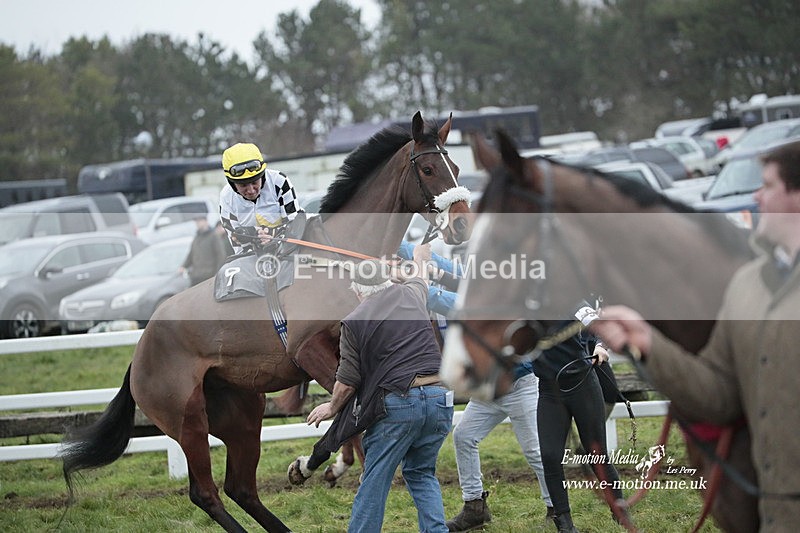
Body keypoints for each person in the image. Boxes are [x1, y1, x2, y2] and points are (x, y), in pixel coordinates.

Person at [591, 140, 800, 531]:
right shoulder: (748, 284)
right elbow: (719, 395)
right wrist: (647, 343)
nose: (756, 195)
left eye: (768, 184)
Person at [306, 246, 454, 533]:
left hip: (400, 403)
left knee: (374, 480)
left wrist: (332, 407)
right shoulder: (412, 294)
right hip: (440, 399)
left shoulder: (354, 322)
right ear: (387, 281)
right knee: (422, 473)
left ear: (357, 291)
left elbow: (348, 380)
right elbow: (421, 275)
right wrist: (421, 257)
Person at [535, 303, 627, 533]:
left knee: (597, 454)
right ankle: (564, 524)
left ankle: (620, 512)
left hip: (582, 384)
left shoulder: (570, 299)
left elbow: (601, 327)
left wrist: (601, 346)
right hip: (549, 389)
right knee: (549, 455)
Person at [446, 356, 553, 532]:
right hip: (488, 388)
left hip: (519, 385)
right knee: (464, 436)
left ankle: (556, 508)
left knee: (534, 450)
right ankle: (474, 508)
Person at [218, 142, 302, 254]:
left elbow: (295, 226)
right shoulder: (226, 197)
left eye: (254, 182)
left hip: (288, 251)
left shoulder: (280, 182)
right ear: (232, 183)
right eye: (243, 185)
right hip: (253, 256)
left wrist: (267, 234)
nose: (251, 190)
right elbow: (238, 246)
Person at [179, 215, 227, 286]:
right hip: (196, 276)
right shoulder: (197, 237)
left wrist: (217, 273)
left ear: (205, 221)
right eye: (196, 222)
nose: (197, 223)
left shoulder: (214, 236)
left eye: (199, 221)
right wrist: (183, 266)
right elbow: (191, 254)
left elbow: (221, 255)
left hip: (209, 276)